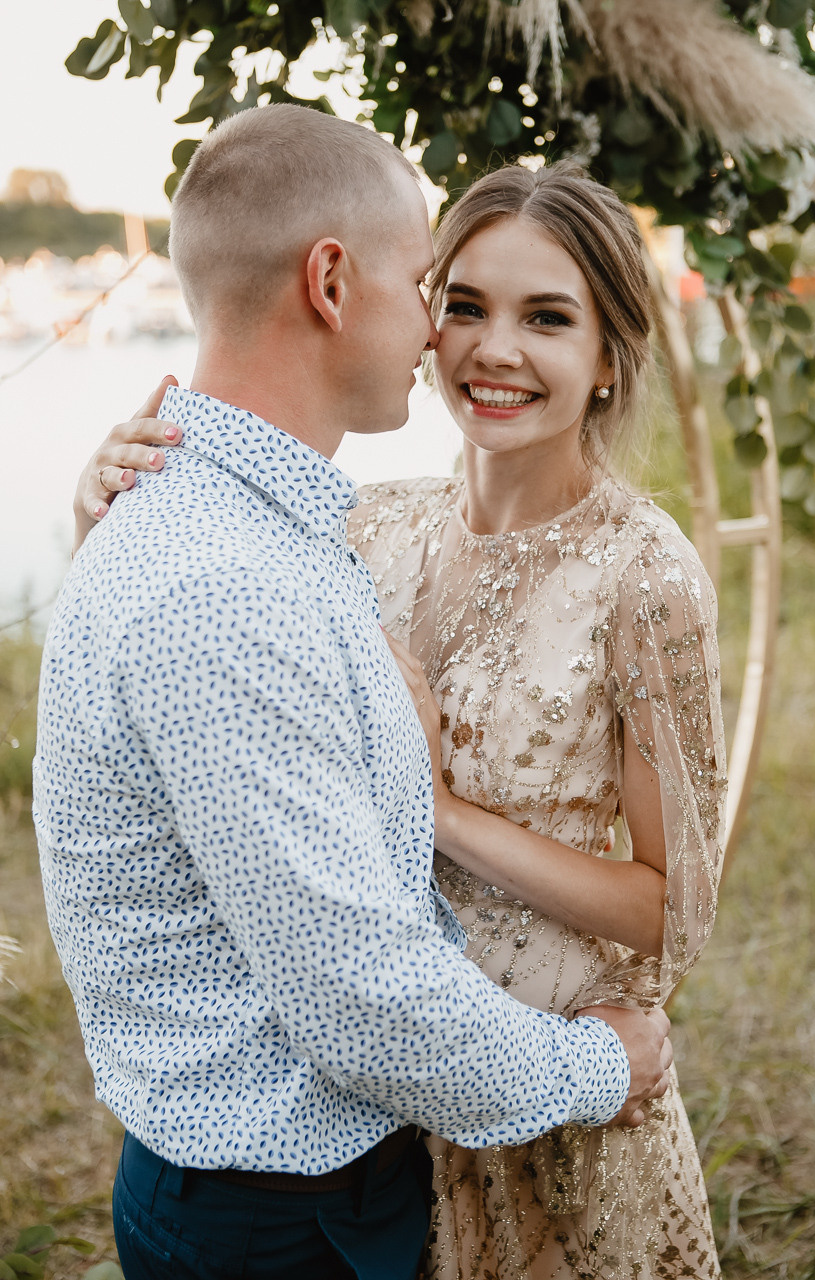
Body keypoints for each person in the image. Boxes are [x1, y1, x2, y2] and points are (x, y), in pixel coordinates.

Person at [37, 106, 674, 1280]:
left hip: (361, 1170)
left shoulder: (281, 531)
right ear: (331, 281)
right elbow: (362, 999)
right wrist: (599, 1065)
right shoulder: (222, 581)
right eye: (433, 281)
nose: (442, 330)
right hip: (280, 1218)